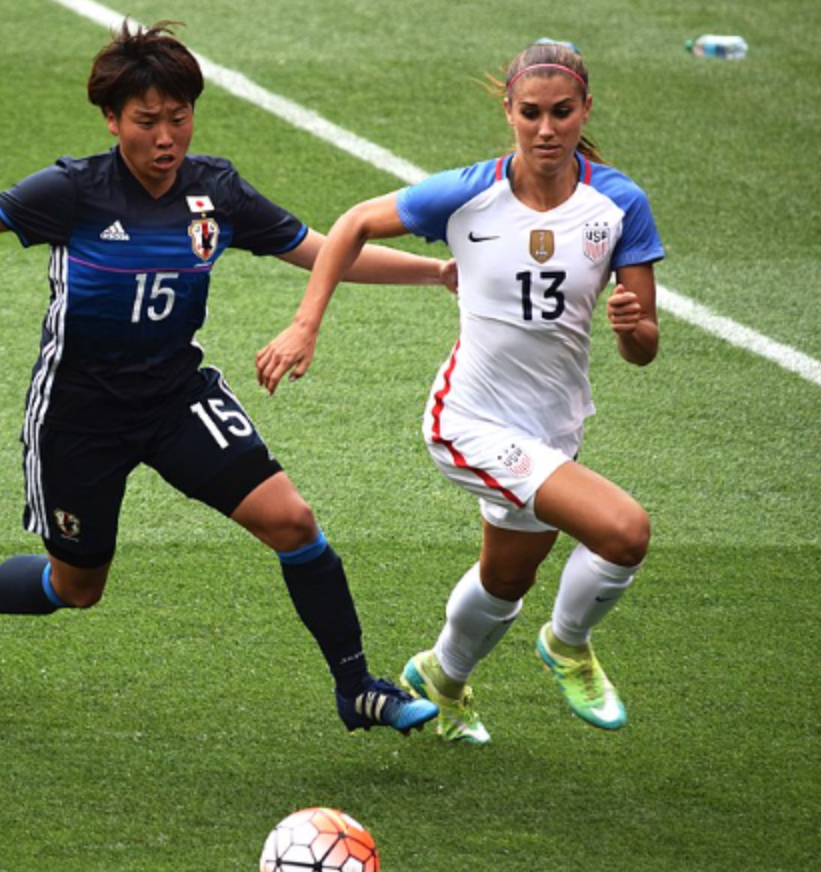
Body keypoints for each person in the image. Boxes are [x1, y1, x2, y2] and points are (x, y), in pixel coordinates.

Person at [0, 21, 452, 735]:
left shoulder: (216, 191)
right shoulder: (74, 191)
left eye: (179, 117)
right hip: (79, 416)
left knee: (293, 522)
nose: (167, 137)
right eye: (147, 121)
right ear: (113, 121)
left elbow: (322, 251)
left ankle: (357, 686)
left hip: (178, 398)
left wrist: (437, 272)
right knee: (78, 588)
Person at [256, 39, 663, 743]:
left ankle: (439, 680)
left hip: (552, 427)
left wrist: (634, 325)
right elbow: (352, 224)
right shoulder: (470, 193)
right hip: (468, 421)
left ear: (585, 110)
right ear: (507, 111)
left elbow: (642, 350)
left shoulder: (619, 203)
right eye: (530, 112)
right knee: (624, 532)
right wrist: (304, 325)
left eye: (561, 113)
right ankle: (566, 645)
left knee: (505, 580)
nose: (546, 128)